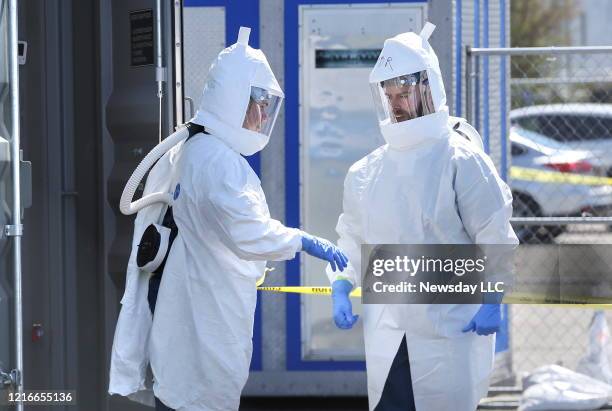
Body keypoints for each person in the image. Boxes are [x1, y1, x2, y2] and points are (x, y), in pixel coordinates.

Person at [109, 27, 348, 411]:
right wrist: (302, 240)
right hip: (204, 319)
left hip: (188, 307)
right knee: (202, 396)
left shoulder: (194, 147)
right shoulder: (218, 160)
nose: (264, 116)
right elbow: (247, 232)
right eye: (261, 105)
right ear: (239, 102)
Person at [327, 23, 518, 410]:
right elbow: (351, 236)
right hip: (389, 330)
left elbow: (495, 233)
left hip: (450, 326)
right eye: (389, 94)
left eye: (404, 93)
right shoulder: (366, 171)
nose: (395, 103)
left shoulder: (461, 160)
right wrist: (340, 286)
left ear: (428, 90)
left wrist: (493, 299)